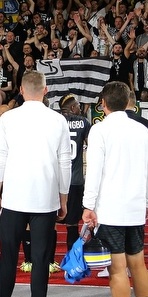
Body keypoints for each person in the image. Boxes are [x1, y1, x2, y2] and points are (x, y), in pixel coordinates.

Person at [0, 71, 71, 297]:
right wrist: (63, 198)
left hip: (14, 198)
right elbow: (64, 163)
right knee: (41, 259)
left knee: (9, 257)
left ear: (21, 91)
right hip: (45, 200)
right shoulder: (58, 120)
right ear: (45, 91)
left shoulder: (8, 118)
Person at [82, 81, 148, 297]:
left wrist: (88, 206)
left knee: (117, 267)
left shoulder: (99, 130)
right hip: (135, 206)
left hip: (110, 209)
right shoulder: (142, 130)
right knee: (138, 263)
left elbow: (94, 171)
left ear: (103, 104)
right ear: (128, 102)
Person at [57, 95, 90, 262]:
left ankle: (48, 261)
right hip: (75, 180)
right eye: (78, 105)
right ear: (72, 108)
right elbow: (91, 145)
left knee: (50, 224)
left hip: (55, 181)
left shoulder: (54, 121)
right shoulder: (83, 122)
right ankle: (73, 259)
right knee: (72, 225)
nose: (80, 108)